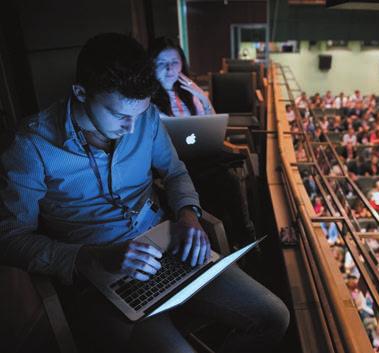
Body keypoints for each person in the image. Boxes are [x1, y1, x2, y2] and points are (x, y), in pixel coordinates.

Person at [0, 33, 289, 353]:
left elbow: (176, 173)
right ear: (81, 93)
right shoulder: (31, 145)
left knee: (274, 316)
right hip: (98, 277)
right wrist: (90, 257)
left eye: (139, 114)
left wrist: (188, 216)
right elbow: (10, 238)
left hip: (166, 247)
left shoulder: (145, 117)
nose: (132, 128)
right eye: (121, 115)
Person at [149, 38, 256, 250]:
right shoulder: (147, 101)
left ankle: (241, 237)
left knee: (226, 181)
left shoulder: (190, 93)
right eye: (162, 63)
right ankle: (233, 239)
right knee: (222, 182)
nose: (170, 69)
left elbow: (212, 121)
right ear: (150, 65)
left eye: (175, 62)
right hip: (169, 164)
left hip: (201, 156)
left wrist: (199, 93)